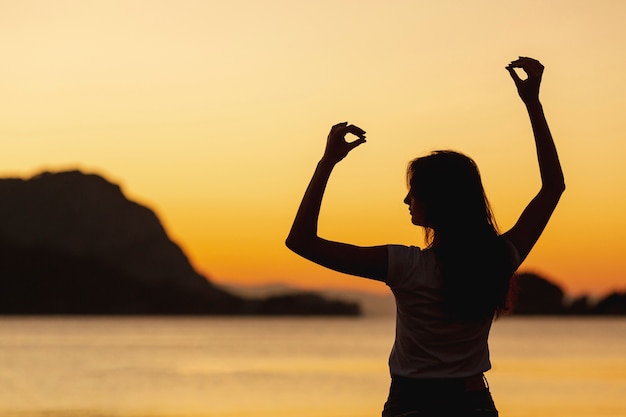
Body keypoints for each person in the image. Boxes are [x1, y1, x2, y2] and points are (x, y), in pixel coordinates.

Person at [285, 56, 565, 416]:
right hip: (473, 404)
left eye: (413, 192)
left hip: (411, 404)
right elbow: (553, 187)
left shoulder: (405, 265)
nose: (406, 199)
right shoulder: (499, 258)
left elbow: (301, 241)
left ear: (438, 202)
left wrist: (327, 163)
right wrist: (533, 104)